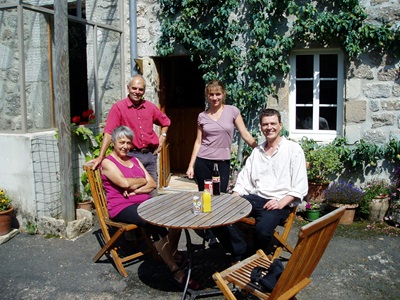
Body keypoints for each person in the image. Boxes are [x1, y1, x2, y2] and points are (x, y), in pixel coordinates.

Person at [101, 126, 199, 290]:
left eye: (128, 142)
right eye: (121, 142)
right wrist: (141, 181)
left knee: (178, 214)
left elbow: (152, 183)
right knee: (153, 222)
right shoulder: (107, 162)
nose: (125, 146)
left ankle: (171, 254)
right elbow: (123, 183)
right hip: (122, 206)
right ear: (113, 142)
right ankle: (175, 270)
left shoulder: (134, 160)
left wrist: (135, 189)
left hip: (143, 201)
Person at [220, 108, 308, 263]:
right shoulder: (257, 152)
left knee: (262, 230)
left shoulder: (293, 150)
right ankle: (242, 250)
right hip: (255, 198)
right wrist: (233, 200)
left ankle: (244, 254)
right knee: (220, 215)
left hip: (279, 202)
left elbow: (300, 187)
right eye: (265, 124)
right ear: (261, 127)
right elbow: (244, 181)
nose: (269, 127)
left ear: (280, 125)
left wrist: (280, 203)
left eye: (273, 123)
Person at [186, 80, 257, 247]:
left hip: (222, 161)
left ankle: (221, 228)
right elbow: (198, 142)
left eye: (218, 94)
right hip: (203, 161)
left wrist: (259, 148)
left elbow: (244, 133)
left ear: (223, 94)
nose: (214, 97)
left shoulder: (232, 111)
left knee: (220, 195)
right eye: (211, 94)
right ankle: (209, 233)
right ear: (207, 95)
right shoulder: (202, 116)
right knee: (205, 196)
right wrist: (191, 165)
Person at [90, 75, 170, 196]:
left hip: (150, 156)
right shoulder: (119, 108)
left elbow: (166, 122)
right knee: (132, 192)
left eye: (140, 89)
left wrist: (162, 138)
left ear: (144, 91)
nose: (137, 92)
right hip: (130, 156)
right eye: (134, 88)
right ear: (128, 88)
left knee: (152, 191)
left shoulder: (150, 107)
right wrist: (101, 156)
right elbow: (109, 132)